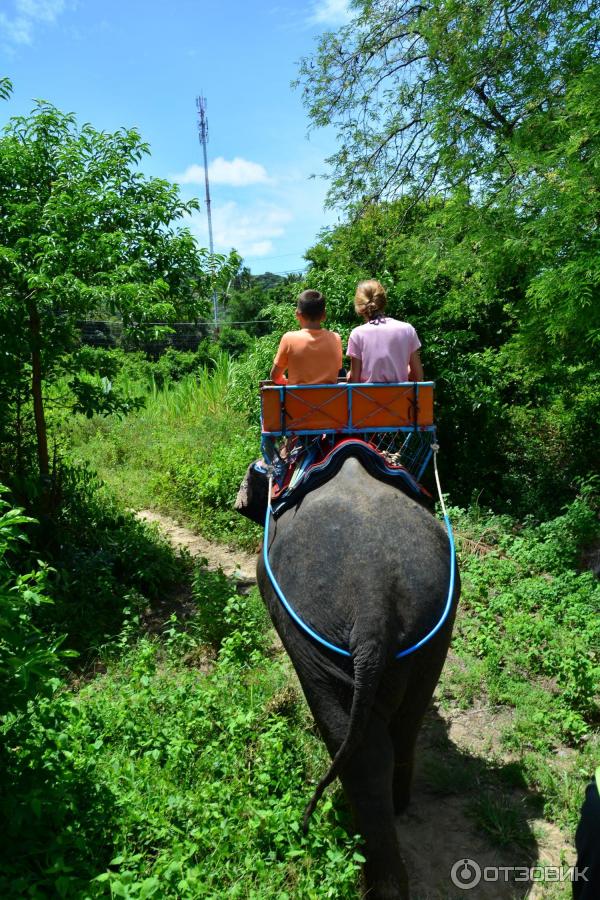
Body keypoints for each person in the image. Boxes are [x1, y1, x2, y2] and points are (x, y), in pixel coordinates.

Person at [346, 280, 424, 383]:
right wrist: (404, 371)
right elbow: (418, 376)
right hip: (401, 398)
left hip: (367, 398)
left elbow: (354, 381)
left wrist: (349, 376)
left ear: (360, 306)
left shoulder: (357, 334)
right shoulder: (407, 330)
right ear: (384, 302)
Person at [270, 289, 342, 385]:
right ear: (324, 315)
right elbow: (337, 370)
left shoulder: (289, 339)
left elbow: (275, 377)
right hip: (330, 399)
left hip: (297, 399)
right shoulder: (335, 338)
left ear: (297, 314)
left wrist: (285, 381)